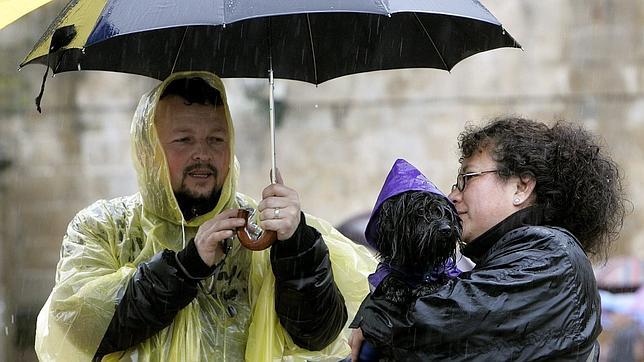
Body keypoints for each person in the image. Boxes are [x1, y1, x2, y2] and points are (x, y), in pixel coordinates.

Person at [34, 71, 377, 361]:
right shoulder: (103, 227)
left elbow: (318, 335)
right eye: (183, 140)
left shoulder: (265, 229)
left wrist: (297, 250)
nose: (203, 154)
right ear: (148, 152)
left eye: (216, 139)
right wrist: (186, 267)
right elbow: (78, 329)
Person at [348, 117, 627, 361]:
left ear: (521, 187)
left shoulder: (554, 256)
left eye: (467, 178)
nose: (453, 196)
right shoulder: (520, 260)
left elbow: (435, 325)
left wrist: (377, 317)